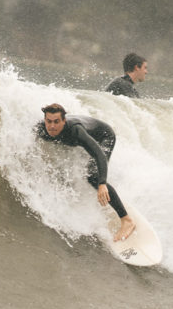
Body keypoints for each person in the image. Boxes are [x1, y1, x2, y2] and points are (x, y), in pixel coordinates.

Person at [35, 103, 136, 241]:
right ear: (45, 120)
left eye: (57, 122)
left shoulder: (76, 131)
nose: (52, 126)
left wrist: (102, 184)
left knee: (92, 177)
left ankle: (126, 220)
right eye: (49, 121)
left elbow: (99, 154)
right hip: (84, 138)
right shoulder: (41, 129)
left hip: (104, 137)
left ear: (64, 121)